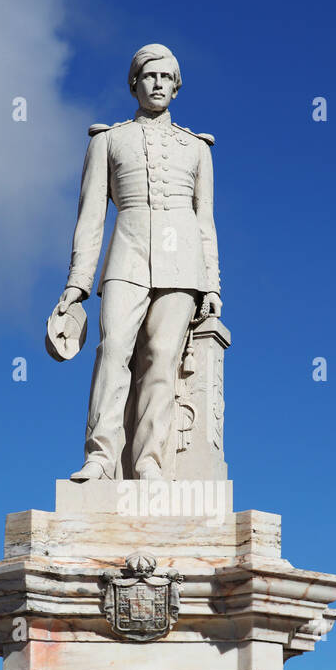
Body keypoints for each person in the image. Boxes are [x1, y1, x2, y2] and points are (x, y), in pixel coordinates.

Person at [55, 43, 221, 481]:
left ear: (177, 87)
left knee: (163, 360)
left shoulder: (197, 148)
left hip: (183, 265)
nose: (158, 84)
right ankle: (101, 456)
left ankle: (149, 461)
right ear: (135, 84)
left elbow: (205, 220)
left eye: (167, 78)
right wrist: (77, 285)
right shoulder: (108, 141)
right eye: (150, 76)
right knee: (112, 353)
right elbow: (91, 218)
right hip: (126, 257)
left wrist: (214, 285)